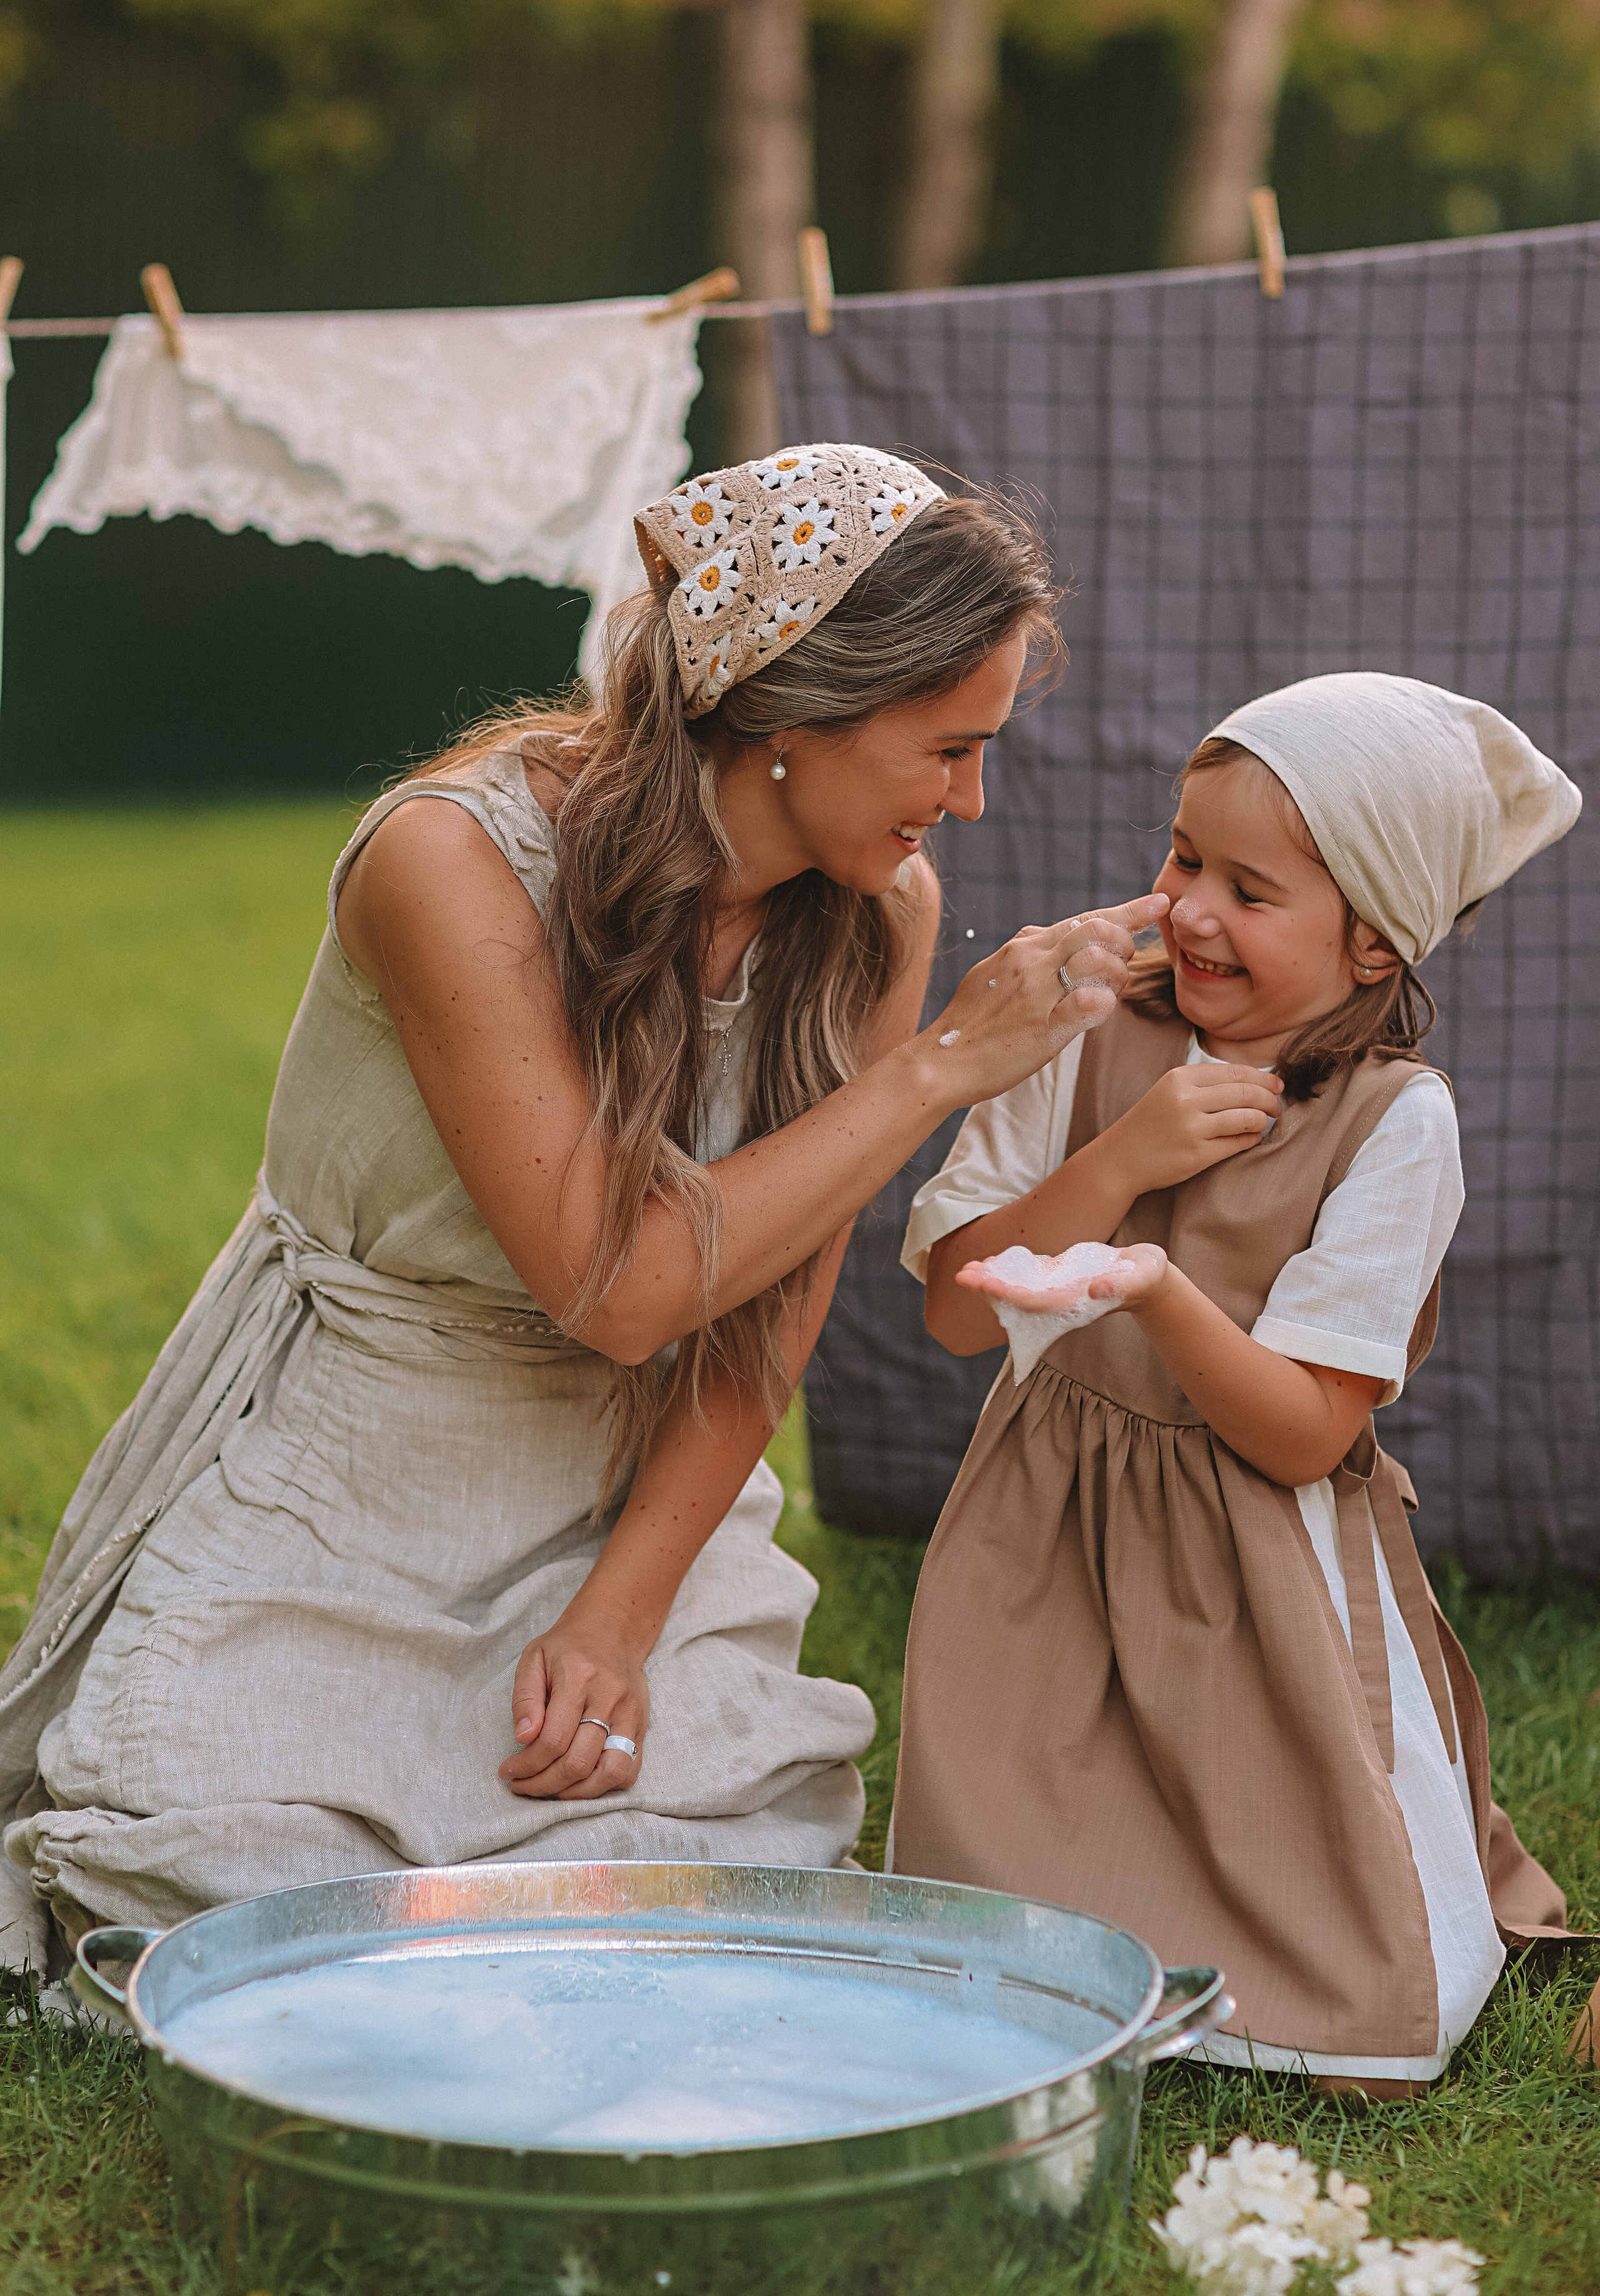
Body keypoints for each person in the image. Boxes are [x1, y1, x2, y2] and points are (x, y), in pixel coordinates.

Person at [0, 441, 1166, 1975]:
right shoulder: (452, 862)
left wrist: (622, 1611)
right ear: (795, 717)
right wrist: (936, 1072)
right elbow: (613, 1287)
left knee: (734, 1841)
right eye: (944, 750)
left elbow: (769, 1306)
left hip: (640, 1467)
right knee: (225, 1870)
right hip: (372, 1436)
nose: (964, 799)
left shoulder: (874, 912)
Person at [894, 671, 1582, 2097]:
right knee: (993, 1952)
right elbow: (958, 1318)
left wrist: (1156, 1289)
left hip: (1252, 1569)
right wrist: (1121, 1168)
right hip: (1045, 1534)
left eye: (1249, 890)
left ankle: (1304, 1968)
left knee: (1359, 2018)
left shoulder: (1396, 1125)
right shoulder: (1086, 1031)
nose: (1190, 909)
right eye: (1182, 856)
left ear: (1375, 942)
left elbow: (1299, 1435)